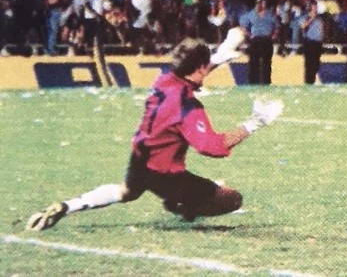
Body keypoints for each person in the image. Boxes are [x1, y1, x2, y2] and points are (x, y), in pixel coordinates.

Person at [26, 34, 284, 230]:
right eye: (206, 66)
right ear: (199, 68)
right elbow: (212, 147)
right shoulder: (188, 107)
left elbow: (193, 71)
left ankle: (68, 206)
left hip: (140, 158)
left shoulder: (164, 80)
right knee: (232, 198)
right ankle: (181, 204)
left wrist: (220, 54)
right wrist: (255, 122)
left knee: (126, 192)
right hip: (165, 174)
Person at [240, 0, 279, 85]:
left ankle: (266, 82)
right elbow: (244, 26)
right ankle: (253, 82)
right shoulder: (250, 14)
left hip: (267, 39)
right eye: (258, 3)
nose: (260, 5)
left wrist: (274, 35)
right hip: (255, 40)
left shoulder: (270, 15)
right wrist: (249, 35)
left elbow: (276, 26)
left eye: (262, 3)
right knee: (253, 62)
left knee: (266, 63)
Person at [302, 2, 324, 85]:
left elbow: (321, 30)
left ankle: (313, 80)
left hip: (318, 43)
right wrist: (311, 19)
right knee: (309, 64)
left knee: (316, 63)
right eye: (314, 8)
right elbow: (303, 27)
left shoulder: (320, 19)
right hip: (309, 42)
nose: (316, 9)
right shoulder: (305, 17)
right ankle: (308, 81)